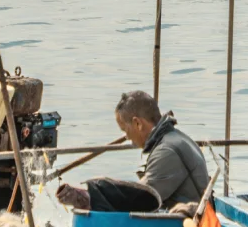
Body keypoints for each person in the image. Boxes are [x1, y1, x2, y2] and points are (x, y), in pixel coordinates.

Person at [56, 91, 210, 213]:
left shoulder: (167, 150)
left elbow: (143, 199)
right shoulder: (176, 138)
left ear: (137, 123)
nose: (127, 137)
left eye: (125, 130)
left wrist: (91, 196)